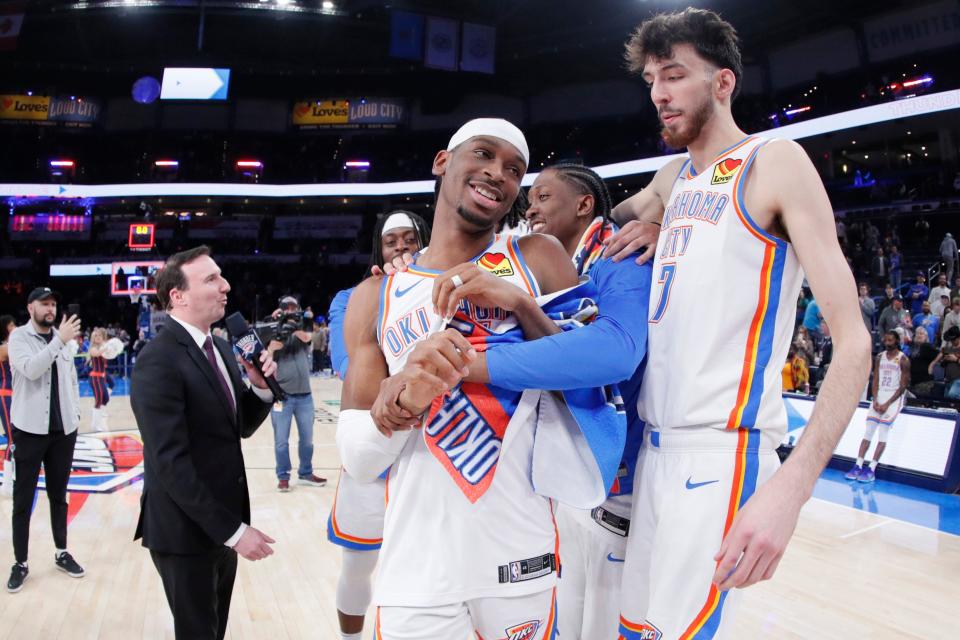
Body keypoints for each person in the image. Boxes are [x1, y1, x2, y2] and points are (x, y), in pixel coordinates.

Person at [603, 9, 871, 637]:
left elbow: (854, 343)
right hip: (653, 454)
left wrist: (791, 490)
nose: (659, 94)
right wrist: (654, 219)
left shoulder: (774, 161)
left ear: (723, 83)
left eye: (675, 75)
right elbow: (605, 218)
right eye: (650, 80)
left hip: (721, 454)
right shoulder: (675, 175)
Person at [336, 119, 587, 638]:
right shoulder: (375, 297)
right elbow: (359, 458)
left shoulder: (537, 259)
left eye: (514, 169)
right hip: (417, 563)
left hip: (521, 554)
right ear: (442, 161)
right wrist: (404, 399)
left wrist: (520, 305)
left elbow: (590, 387)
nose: (498, 173)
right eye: (483, 154)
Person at [130, 246, 279, 640]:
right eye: (211, 279)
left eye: (221, 276)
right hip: (185, 532)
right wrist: (233, 532)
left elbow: (237, 428)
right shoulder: (157, 359)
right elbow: (170, 464)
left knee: (214, 631)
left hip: (220, 524)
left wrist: (261, 389)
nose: (225, 286)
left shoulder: (221, 348)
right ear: (177, 295)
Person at [327, 210, 430, 640]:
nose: (402, 248)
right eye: (392, 242)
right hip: (377, 434)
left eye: (409, 239)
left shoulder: (442, 284)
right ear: (379, 249)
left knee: (426, 565)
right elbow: (345, 363)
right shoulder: (353, 297)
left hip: (430, 447)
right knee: (358, 563)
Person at [6, 287, 86, 593]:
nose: (50, 308)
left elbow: (71, 379)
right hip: (29, 430)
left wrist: (75, 415)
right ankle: (21, 562)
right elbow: (31, 370)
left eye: (53, 303)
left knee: (59, 495)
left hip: (63, 431)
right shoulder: (19, 339)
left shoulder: (62, 338)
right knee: (23, 499)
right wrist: (59, 341)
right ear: (30, 308)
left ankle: (61, 552)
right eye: (44, 304)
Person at [266, 295, 326, 493]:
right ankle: (283, 477)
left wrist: (294, 325)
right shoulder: (272, 327)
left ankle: (306, 473)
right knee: (281, 441)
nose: (291, 311)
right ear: (281, 309)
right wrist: (278, 326)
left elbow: (307, 338)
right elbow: (271, 349)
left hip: (305, 396)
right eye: (287, 308)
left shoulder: (303, 328)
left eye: (294, 308)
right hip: (281, 396)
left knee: (307, 439)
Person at [845, 332, 909, 483]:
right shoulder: (879, 357)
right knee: (868, 432)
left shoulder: (903, 359)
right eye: (885, 340)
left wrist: (887, 403)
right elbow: (875, 380)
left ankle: (872, 468)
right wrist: (874, 399)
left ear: (897, 341)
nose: (887, 342)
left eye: (890, 340)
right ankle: (858, 465)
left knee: (883, 433)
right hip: (879, 397)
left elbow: (903, 385)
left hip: (894, 399)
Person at [0, 315, 15, 494]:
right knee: (13, 438)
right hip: (5, 395)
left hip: (15, 395)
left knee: (17, 437)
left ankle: (14, 479)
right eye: (12, 325)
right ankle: (7, 484)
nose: (15, 327)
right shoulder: (4, 348)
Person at [87, 328, 110, 432]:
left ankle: (98, 418)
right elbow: (96, 354)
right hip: (95, 377)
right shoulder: (93, 348)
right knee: (99, 400)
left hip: (101, 377)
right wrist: (106, 347)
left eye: (100, 335)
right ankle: (95, 425)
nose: (98, 337)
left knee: (106, 398)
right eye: (96, 336)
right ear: (93, 338)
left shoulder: (103, 347)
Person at [908, 326, 938, 397]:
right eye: (917, 333)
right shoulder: (913, 348)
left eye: (921, 334)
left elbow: (941, 353)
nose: (919, 335)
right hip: (913, 382)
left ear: (926, 337)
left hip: (924, 382)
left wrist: (933, 364)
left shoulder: (926, 346)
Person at [931, 327, 960, 400]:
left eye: (953, 340)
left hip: (958, 379)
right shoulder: (947, 349)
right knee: (947, 401)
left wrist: (956, 359)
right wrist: (944, 360)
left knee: (952, 395)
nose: (952, 341)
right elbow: (938, 362)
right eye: (951, 340)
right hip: (948, 380)